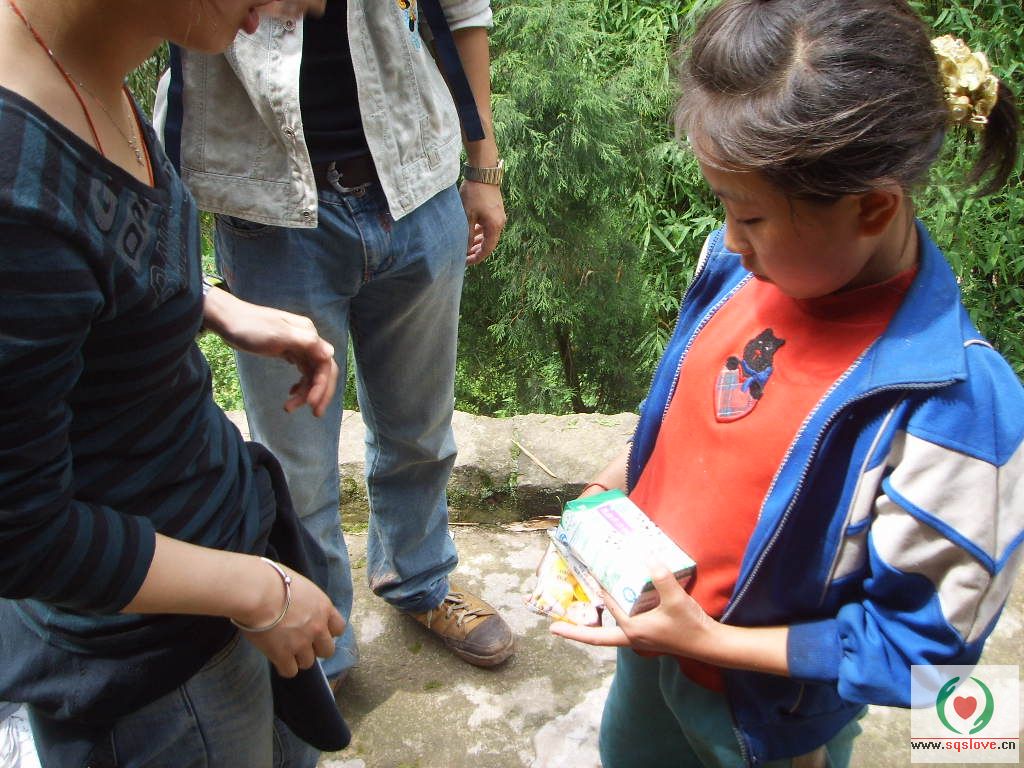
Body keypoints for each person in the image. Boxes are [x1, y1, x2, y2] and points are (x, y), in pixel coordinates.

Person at [550, 1, 1024, 766]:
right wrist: (619, 479)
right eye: (725, 209)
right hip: (654, 647)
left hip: (764, 718)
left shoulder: (955, 407)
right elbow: (694, 417)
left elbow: (917, 648)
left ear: (873, 208)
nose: (728, 238)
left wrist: (710, 641)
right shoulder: (734, 270)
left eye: (752, 218)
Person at [0, 1, 348, 767]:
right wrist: (258, 594)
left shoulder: (89, 54)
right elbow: (22, 534)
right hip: (153, 669)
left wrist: (211, 305)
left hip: (214, 562)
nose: (310, 6)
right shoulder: (13, 176)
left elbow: (93, 264)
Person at [154, 0, 513, 685]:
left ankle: (419, 578)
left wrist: (483, 167)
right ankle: (323, 637)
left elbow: (462, 10)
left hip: (415, 184)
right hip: (269, 211)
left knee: (420, 425)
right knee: (296, 461)